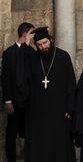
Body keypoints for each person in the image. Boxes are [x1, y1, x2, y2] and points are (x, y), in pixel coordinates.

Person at [25, 27, 76, 162]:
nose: (43, 47)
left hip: (59, 112)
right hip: (38, 113)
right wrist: (25, 44)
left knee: (59, 147)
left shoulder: (63, 56)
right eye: (39, 45)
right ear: (35, 45)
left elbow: (71, 83)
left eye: (45, 43)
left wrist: (70, 107)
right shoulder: (32, 58)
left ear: (51, 40)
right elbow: (21, 75)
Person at [1, 22, 34, 162]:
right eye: (32, 33)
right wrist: (7, 100)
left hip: (29, 101)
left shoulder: (31, 52)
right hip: (14, 101)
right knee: (11, 134)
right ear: (25, 34)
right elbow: (6, 78)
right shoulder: (9, 52)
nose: (33, 37)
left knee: (29, 132)